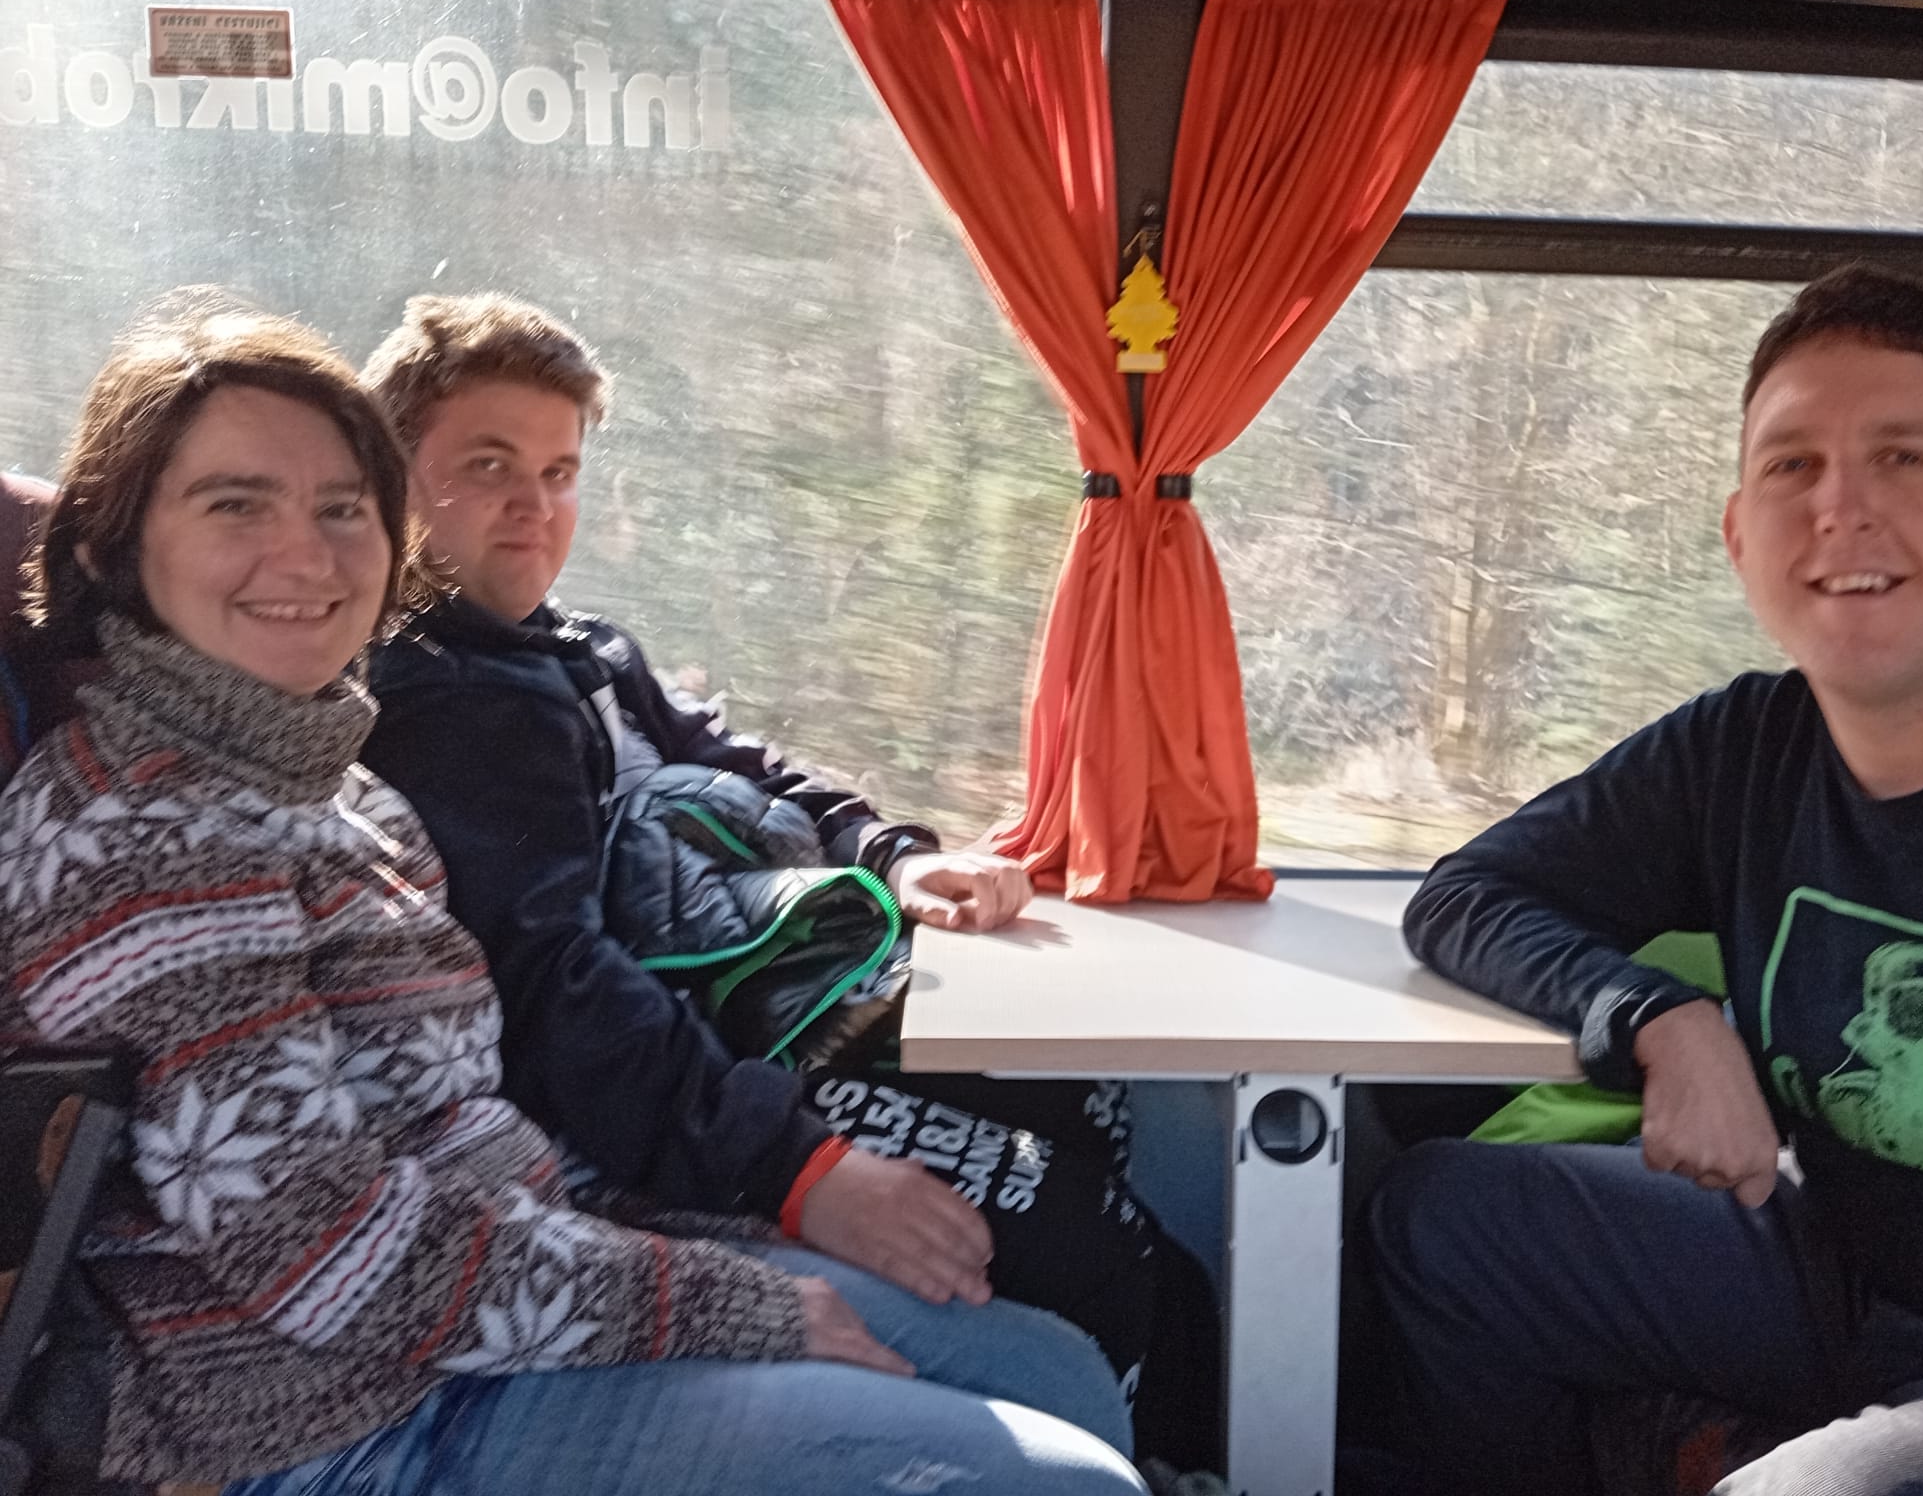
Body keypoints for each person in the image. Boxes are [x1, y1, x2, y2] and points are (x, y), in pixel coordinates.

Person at [0, 295, 1147, 1495]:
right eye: (237, 504)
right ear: (109, 546)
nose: (307, 555)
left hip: (500, 1294)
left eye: (341, 507)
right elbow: (326, 1253)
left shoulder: (328, 775)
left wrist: (665, 1251)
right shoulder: (147, 842)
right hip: (330, 1417)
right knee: (1066, 1481)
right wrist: (721, 1292)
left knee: (1055, 1375)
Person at [353, 296, 1189, 1431]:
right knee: (1093, 1245)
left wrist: (890, 858)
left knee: (1082, 1100)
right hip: (641, 1106)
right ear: (392, 479)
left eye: (559, 473)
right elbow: (552, 993)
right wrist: (799, 1172)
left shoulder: (574, 649)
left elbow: (735, 759)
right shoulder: (442, 703)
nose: (535, 507)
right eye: (488, 467)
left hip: (737, 1026)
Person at [1369, 263, 1923, 1495]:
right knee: (1448, 1223)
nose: (1840, 509)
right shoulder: (1745, 751)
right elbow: (1467, 897)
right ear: (1739, 535)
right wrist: (1663, 1022)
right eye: (1793, 466)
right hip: (1833, 1269)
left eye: (1904, 458)